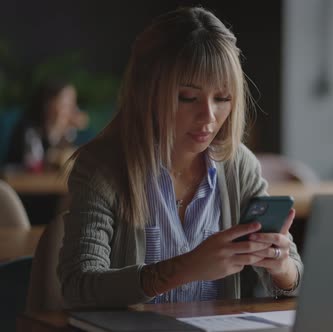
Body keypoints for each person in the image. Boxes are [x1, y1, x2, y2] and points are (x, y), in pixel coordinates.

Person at [57, 6, 302, 308]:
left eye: (222, 98)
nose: (208, 117)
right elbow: (78, 286)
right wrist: (183, 268)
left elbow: (292, 283)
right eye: (187, 97)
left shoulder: (240, 166)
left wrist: (281, 268)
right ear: (147, 91)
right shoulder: (101, 168)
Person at [4, 80, 88, 172]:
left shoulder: (71, 132)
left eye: (73, 104)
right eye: (65, 105)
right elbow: (33, 164)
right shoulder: (31, 129)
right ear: (48, 104)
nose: (72, 110)